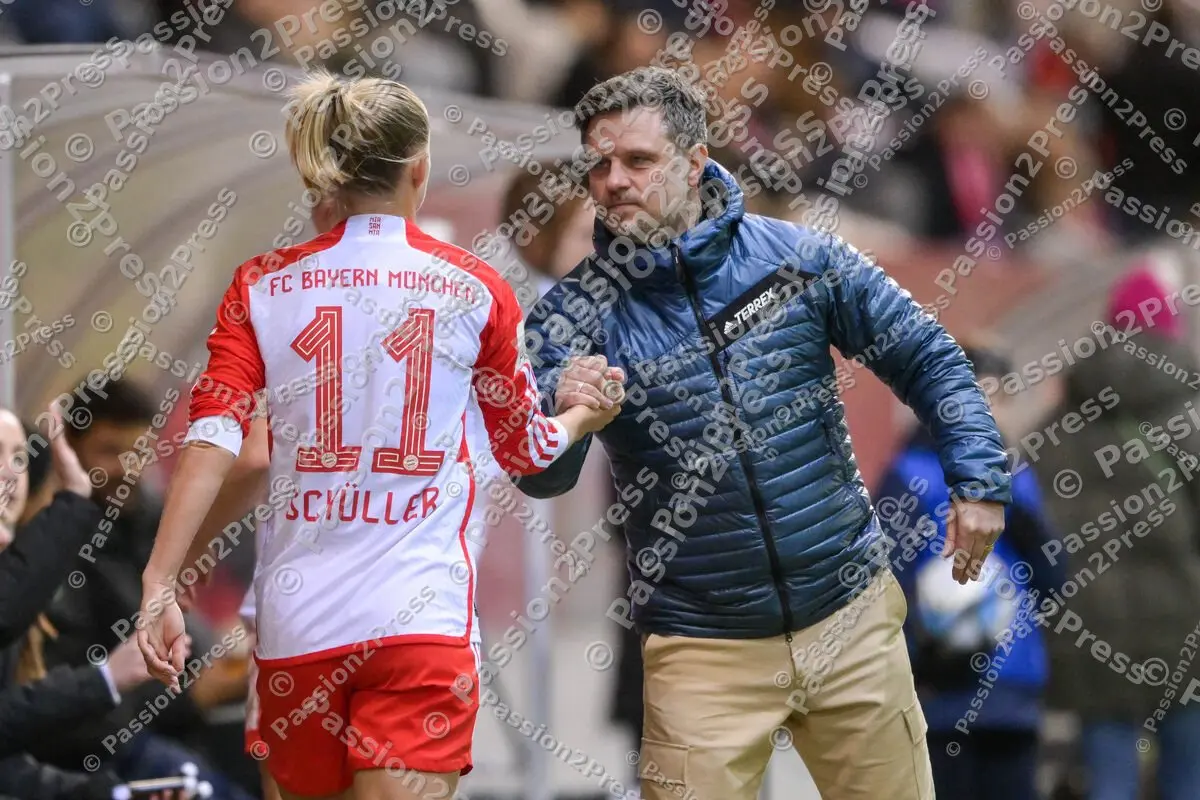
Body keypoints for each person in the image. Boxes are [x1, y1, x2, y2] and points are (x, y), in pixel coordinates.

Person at [516, 65, 1012, 800]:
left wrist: (979, 481)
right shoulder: (567, 317)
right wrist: (569, 418)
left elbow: (930, 357)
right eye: (599, 165)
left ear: (693, 162)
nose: (614, 180)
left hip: (849, 616)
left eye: (638, 161)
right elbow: (541, 473)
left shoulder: (800, 259)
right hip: (697, 645)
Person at [134, 69, 622, 800]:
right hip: (418, 621)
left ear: (327, 174)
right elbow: (530, 451)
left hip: (298, 626)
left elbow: (215, 439)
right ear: (419, 170)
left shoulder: (261, 286)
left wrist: (160, 581)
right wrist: (585, 413)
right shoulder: (473, 287)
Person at [1034, 259, 1200, 800]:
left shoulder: (1060, 424)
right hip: (1184, 625)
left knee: (1108, 779)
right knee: (1186, 776)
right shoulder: (1188, 416)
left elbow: (1031, 525)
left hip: (1090, 633)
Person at [876, 341, 1068, 800]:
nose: (990, 410)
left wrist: (1028, 528)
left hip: (1012, 687)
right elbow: (884, 586)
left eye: (998, 396)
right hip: (939, 696)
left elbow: (1054, 577)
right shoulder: (909, 474)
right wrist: (917, 663)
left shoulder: (1017, 477)